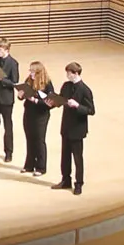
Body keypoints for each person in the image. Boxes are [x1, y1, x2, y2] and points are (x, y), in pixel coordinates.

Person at [54, 61, 95, 195]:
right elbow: (61, 99)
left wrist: (77, 106)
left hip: (77, 129)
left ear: (75, 73)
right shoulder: (66, 86)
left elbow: (91, 110)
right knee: (65, 156)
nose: (67, 75)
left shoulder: (85, 90)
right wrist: (53, 100)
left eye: (69, 73)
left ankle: (79, 183)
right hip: (66, 126)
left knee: (78, 158)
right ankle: (66, 180)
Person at [18, 60, 55, 176]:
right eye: (30, 70)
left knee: (39, 140)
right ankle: (29, 165)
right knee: (29, 138)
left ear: (39, 72)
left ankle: (41, 167)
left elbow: (51, 103)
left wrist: (35, 100)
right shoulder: (28, 80)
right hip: (29, 113)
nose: (31, 73)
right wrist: (20, 95)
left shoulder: (47, 84)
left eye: (33, 71)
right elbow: (23, 93)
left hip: (41, 115)